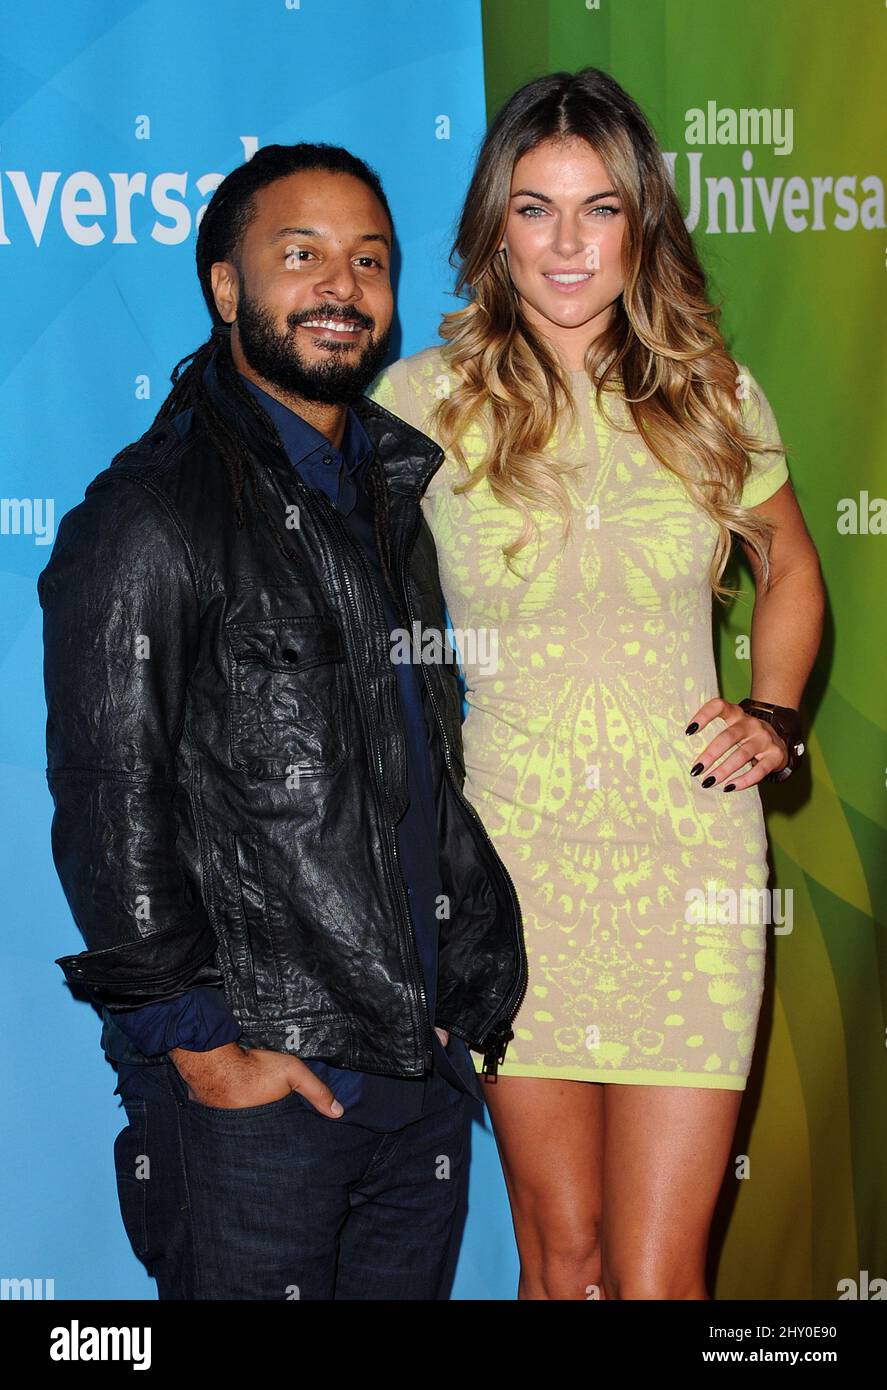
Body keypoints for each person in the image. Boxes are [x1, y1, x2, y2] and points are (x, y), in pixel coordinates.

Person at [37, 142, 526, 1300]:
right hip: (260, 1093)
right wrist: (199, 1045)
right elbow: (112, 793)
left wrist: (450, 1010)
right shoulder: (151, 512)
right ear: (224, 287)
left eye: (368, 260)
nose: (340, 287)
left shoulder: (389, 496)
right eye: (298, 254)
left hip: (412, 1083)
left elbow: (409, 773)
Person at [367, 68, 825, 1300]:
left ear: (640, 222)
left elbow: (789, 565)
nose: (566, 244)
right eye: (534, 209)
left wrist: (773, 713)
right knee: (558, 1262)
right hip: (513, 866)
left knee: (660, 1272)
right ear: (493, 227)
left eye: (598, 209)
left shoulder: (709, 393)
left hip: (689, 863)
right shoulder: (417, 405)